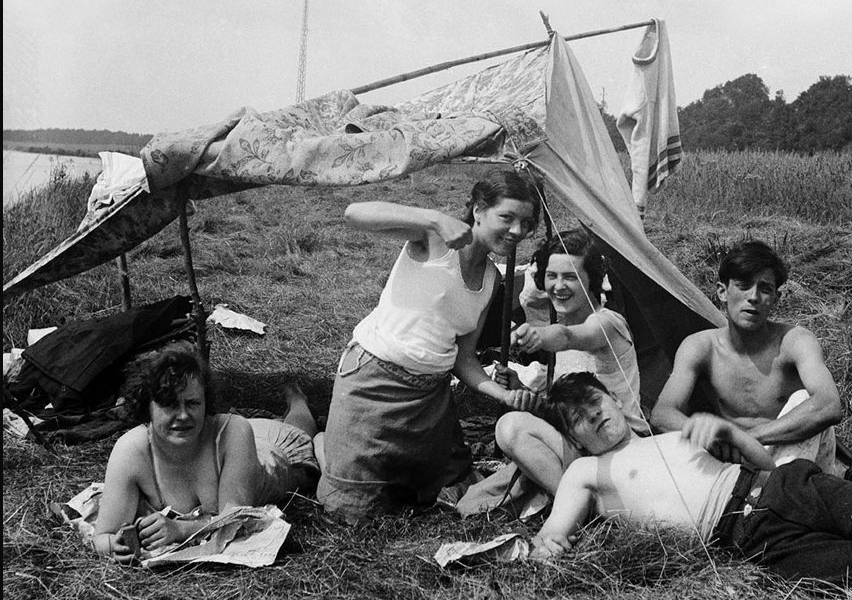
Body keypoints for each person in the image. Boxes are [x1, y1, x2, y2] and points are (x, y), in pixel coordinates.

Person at [531, 372, 852, 586]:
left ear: (611, 396)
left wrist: (728, 432)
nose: (592, 414)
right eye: (578, 419)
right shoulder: (587, 470)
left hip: (780, 485)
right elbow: (552, 532)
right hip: (744, 535)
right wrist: (549, 542)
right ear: (574, 437)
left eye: (594, 401)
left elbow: (764, 461)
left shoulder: (667, 433)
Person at [315, 169, 542, 523]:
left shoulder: (491, 278)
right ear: (479, 209)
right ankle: (323, 441)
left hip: (430, 402)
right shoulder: (436, 239)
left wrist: (504, 396)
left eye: (526, 223)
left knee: (446, 502)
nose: (517, 231)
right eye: (507, 217)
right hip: (374, 385)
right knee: (349, 515)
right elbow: (354, 214)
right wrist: (435, 218)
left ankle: (341, 445)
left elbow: (463, 358)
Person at [92, 343, 319, 564]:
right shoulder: (131, 450)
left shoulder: (234, 432)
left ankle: (298, 400)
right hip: (233, 442)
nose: (182, 415)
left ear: (205, 403)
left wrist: (180, 529)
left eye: (192, 403)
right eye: (169, 404)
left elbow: (235, 520)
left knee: (303, 435)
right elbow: (102, 538)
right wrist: (116, 545)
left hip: (273, 449)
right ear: (147, 407)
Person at [650, 240, 845, 476]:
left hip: (793, 455)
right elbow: (662, 414)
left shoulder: (794, 341)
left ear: (776, 298)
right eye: (743, 285)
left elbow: (829, 405)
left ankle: (776, 498)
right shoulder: (701, 346)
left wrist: (745, 438)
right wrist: (708, 434)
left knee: (803, 398)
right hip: (736, 459)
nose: (753, 297)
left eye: (764, 288)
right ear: (722, 292)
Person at [493, 230, 647, 497]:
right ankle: (583, 500)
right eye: (552, 276)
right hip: (587, 447)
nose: (559, 286)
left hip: (622, 445)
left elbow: (568, 337)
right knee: (510, 425)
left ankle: (580, 506)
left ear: (592, 281)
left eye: (571, 277)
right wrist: (524, 393)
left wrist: (538, 334)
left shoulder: (607, 324)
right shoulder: (560, 335)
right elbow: (565, 411)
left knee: (511, 428)